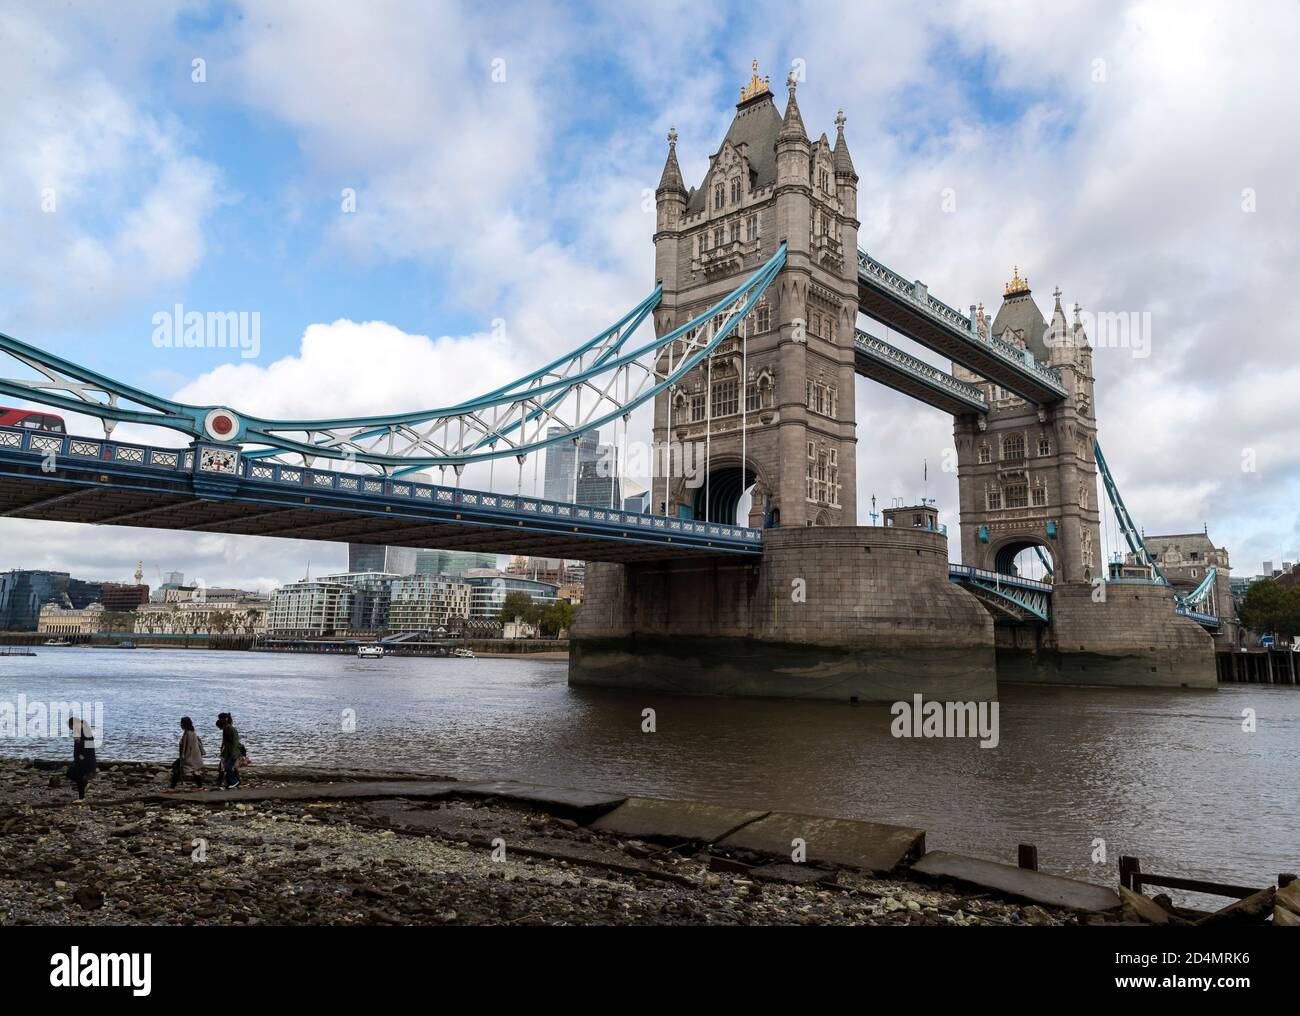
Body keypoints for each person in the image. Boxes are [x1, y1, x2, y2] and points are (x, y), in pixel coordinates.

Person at [66, 714, 96, 802]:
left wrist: (82, 757)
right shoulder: (79, 731)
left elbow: (89, 747)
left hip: (85, 760)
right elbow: (78, 746)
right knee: (71, 773)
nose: (70, 729)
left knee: (78, 776)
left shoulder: (84, 732)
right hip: (81, 759)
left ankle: (81, 798)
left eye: (70, 727)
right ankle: (86, 785)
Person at [169, 716, 205, 789]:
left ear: (185, 724)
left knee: (176, 768)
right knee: (194, 771)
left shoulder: (188, 734)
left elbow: (188, 747)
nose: (181, 725)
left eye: (182, 723)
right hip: (193, 757)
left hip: (189, 757)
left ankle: (172, 787)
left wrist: (183, 757)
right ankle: (200, 786)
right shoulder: (192, 732)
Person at [217, 712, 244, 790]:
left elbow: (234, 742)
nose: (219, 720)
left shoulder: (229, 728)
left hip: (233, 752)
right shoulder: (227, 728)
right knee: (227, 767)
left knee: (228, 768)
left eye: (220, 719)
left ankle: (235, 782)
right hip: (229, 752)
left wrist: (233, 753)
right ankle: (231, 783)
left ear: (225, 719)